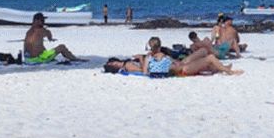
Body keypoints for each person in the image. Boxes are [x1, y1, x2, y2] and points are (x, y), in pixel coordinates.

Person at [104, 42, 243, 77]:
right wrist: (142, 59)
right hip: (181, 68)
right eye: (113, 64)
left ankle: (220, 69)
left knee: (203, 51)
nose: (115, 63)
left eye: (113, 61)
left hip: (179, 63)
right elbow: (143, 71)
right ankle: (228, 72)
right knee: (210, 57)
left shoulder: (127, 62)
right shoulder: (127, 66)